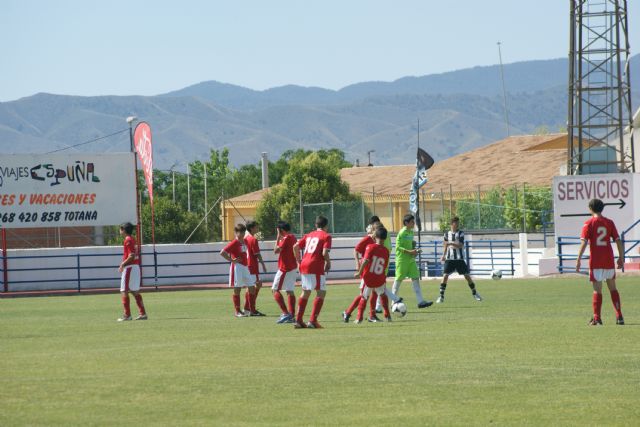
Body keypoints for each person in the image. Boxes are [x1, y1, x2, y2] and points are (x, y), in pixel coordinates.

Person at [576, 198, 625, 326]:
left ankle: (597, 318)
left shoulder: (588, 223)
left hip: (596, 261)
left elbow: (584, 242)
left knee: (597, 290)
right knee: (613, 288)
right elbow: (618, 241)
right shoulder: (609, 222)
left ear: (590, 209)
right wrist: (621, 257)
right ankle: (619, 316)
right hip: (608, 259)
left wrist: (578, 258)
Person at [292, 215, 332, 329]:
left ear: (316, 225)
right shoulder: (326, 236)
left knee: (306, 292)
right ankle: (313, 321)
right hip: (315, 265)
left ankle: (299, 321)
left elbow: (295, 247)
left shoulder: (309, 235)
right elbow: (324, 253)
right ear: (326, 226)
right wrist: (328, 263)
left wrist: (298, 261)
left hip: (304, 264)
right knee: (321, 292)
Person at [392, 214, 433, 308]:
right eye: (412, 222)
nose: (414, 223)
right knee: (398, 281)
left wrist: (415, 250)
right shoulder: (402, 232)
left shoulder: (411, 232)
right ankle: (393, 303)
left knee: (415, 279)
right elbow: (398, 247)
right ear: (406, 223)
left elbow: (410, 244)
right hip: (402, 260)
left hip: (410, 260)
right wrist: (410, 251)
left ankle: (420, 302)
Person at [438, 216, 482, 303]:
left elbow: (460, 245)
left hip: (459, 259)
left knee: (467, 276)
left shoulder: (461, 233)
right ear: (452, 223)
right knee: (445, 276)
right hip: (449, 259)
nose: (457, 224)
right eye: (456, 222)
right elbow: (445, 245)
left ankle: (475, 293)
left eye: (458, 223)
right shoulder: (446, 234)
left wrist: (450, 243)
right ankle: (441, 296)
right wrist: (443, 255)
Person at [353, 227, 393, 323]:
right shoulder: (386, 251)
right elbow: (385, 265)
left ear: (375, 236)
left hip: (368, 278)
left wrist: (359, 272)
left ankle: (359, 318)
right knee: (382, 295)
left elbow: (366, 261)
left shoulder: (370, 247)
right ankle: (387, 315)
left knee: (364, 297)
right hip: (379, 278)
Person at [220, 223, 257, 317]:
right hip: (238, 267)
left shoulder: (245, 241)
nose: (242, 234)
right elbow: (222, 252)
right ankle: (237, 311)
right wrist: (232, 260)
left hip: (245, 267)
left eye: (243, 232)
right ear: (236, 232)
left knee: (252, 288)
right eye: (240, 232)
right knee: (237, 289)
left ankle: (251, 311)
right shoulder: (234, 242)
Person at [117, 222, 147, 321]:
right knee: (134, 291)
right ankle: (143, 314)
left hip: (129, 268)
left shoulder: (128, 240)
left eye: (121, 228)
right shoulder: (132, 239)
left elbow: (131, 255)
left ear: (124, 230)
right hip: (135, 267)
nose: (120, 230)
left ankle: (127, 315)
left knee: (124, 291)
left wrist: (122, 264)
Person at [272, 221, 298, 324]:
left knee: (275, 290)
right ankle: (291, 315)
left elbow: (275, 251)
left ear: (281, 230)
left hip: (284, 268)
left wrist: (278, 237)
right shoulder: (293, 237)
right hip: (292, 267)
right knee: (289, 290)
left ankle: (286, 313)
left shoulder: (286, 238)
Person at [244, 221, 267, 316]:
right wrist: (263, 264)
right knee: (256, 285)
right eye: (257, 227)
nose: (258, 229)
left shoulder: (245, 238)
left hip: (246, 265)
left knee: (251, 287)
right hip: (252, 266)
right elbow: (257, 254)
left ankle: (247, 308)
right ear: (252, 228)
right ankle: (251, 309)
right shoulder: (253, 239)